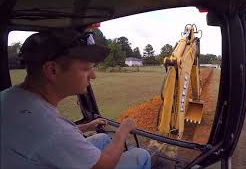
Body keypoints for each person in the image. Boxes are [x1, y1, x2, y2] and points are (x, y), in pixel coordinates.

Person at [0, 29, 151, 169]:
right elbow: (104, 164)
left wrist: (86, 127)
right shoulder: (50, 127)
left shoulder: (10, 97)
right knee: (141, 155)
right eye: (86, 69)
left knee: (102, 138)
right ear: (52, 70)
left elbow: (50, 139)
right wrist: (123, 130)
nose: (93, 76)